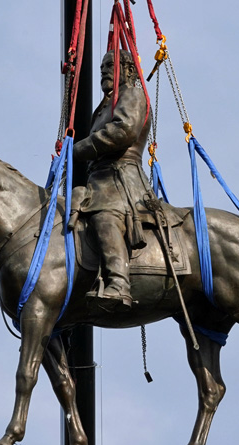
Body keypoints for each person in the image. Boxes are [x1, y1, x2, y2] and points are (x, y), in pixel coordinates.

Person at [72, 49, 153, 312]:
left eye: (111, 65)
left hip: (121, 178)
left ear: (128, 70)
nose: (104, 71)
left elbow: (123, 131)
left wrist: (79, 149)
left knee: (104, 215)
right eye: (102, 67)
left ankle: (119, 284)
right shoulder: (104, 107)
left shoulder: (132, 93)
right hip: (100, 178)